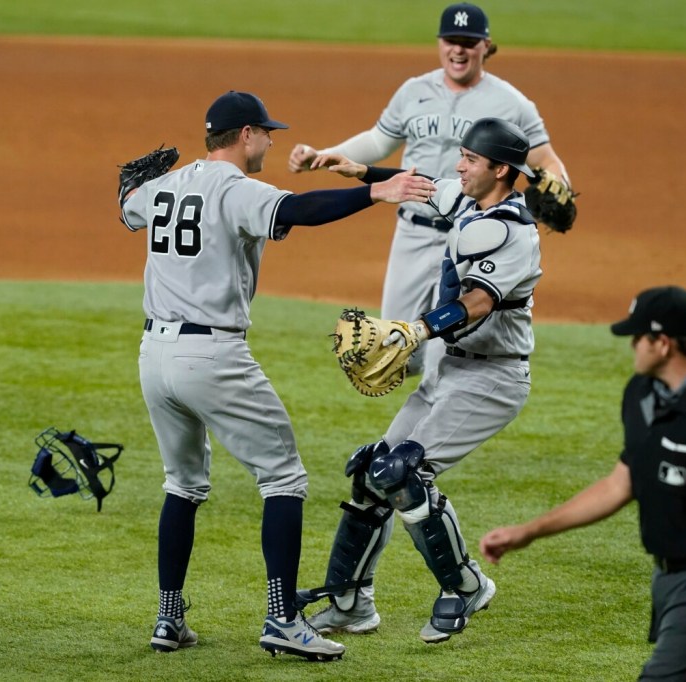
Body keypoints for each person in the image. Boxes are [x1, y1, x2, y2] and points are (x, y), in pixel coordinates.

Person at [119, 90, 434, 660]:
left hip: (153, 357)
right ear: (244, 136)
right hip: (211, 356)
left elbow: (127, 205)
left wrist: (126, 190)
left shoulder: (163, 186)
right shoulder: (236, 189)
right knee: (284, 478)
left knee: (182, 484)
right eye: (266, 133)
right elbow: (297, 211)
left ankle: (168, 619)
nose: (270, 140)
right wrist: (376, 191)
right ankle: (283, 619)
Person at [298, 117, 541, 644]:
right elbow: (425, 186)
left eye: (471, 160)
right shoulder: (470, 201)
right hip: (446, 370)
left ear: (500, 169)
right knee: (371, 473)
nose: (459, 165)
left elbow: (478, 301)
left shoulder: (511, 231)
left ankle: (466, 586)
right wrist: (360, 170)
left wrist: (416, 329)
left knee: (404, 473)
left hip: (491, 380)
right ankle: (349, 603)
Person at [288, 2, 570, 404]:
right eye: (451, 41)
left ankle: (424, 442)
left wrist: (561, 182)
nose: (458, 50)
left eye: (468, 43)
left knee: (445, 348)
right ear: (439, 43)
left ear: (485, 46)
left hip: (472, 237)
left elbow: (545, 158)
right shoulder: (414, 90)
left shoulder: (512, 103)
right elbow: (380, 141)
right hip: (412, 229)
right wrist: (330, 154)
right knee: (398, 347)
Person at [479, 285, 686, 680]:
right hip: (671, 579)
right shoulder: (643, 395)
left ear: (663, 344)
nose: (632, 346)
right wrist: (528, 532)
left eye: (637, 337)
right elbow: (620, 484)